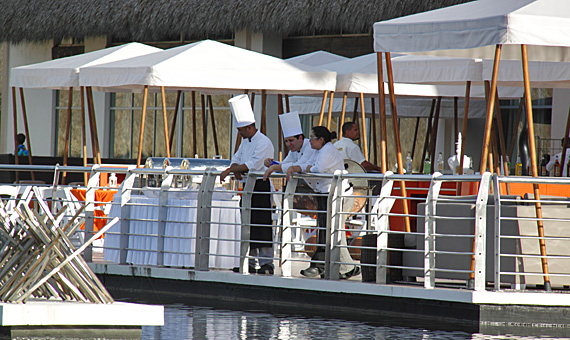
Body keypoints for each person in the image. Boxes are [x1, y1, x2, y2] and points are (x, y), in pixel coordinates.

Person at [286, 126, 360, 279]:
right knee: (330, 232)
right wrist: (300, 167)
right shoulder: (320, 150)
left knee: (335, 232)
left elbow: (317, 168)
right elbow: (309, 164)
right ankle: (339, 267)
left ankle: (348, 267)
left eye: (312, 137)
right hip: (327, 194)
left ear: (320, 139)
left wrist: (305, 167)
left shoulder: (327, 150)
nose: (310, 140)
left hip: (338, 196)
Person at [220, 94, 275, 275]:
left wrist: (232, 170)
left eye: (242, 130)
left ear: (251, 127)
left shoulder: (264, 142)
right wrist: (234, 168)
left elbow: (254, 164)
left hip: (261, 186)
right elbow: (236, 160)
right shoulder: (244, 142)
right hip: (248, 188)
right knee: (248, 226)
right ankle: (249, 263)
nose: (240, 134)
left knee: (263, 226)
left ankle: (267, 263)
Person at [263, 111, 316, 180]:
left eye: (291, 140)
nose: (288, 144)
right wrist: (271, 164)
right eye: (286, 141)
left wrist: (275, 167)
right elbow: (284, 164)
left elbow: (299, 165)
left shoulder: (310, 146)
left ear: (300, 138)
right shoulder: (294, 149)